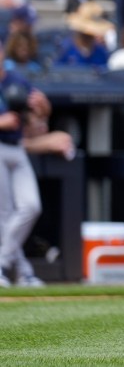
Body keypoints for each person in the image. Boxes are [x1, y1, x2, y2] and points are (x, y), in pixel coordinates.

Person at [0, 60, 55, 286]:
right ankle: (23, 272)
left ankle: (5, 266)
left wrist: (43, 106)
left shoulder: (15, 80)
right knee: (5, 213)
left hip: (17, 147)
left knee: (31, 206)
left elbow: (42, 114)